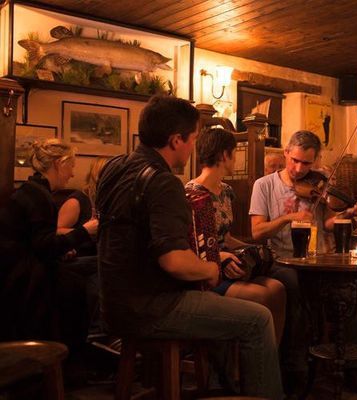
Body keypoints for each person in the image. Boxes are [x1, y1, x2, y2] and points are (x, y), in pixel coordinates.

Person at [96, 95, 282, 399]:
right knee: (258, 319)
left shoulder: (116, 167)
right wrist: (210, 268)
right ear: (176, 140)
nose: (194, 146)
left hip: (113, 305)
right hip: (152, 308)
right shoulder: (163, 181)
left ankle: (227, 385)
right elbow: (175, 262)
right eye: (193, 139)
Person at [249, 130, 357, 394]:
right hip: (281, 260)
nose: (299, 168)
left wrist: (347, 211)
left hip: (316, 258)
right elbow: (257, 231)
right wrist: (286, 218)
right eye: (295, 160)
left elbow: (325, 224)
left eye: (307, 163)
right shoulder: (264, 185)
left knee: (352, 292)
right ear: (286, 154)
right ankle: (296, 367)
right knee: (296, 288)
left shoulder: (318, 184)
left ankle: (352, 367)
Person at [0, 139, 99, 361]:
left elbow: (37, 241)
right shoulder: (39, 196)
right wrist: (85, 231)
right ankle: (72, 358)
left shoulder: (32, 191)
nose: (72, 174)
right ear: (58, 163)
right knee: (83, 283)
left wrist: (63, 248)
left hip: (18, 273)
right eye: (71, 166)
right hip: (23, 282)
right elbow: (44, 247)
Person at [186, 126, 286, 343]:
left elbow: (226, 238)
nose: (235, 160)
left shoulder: (226, 191)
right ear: (224, 155)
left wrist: (251, 249)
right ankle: (243, 365)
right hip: (208, 269)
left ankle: (271, 357)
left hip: (230, 262)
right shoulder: (192, 193)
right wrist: (222, 257)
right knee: (262, 295)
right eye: (234, 154)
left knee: (277, 289)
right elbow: (191, 245)